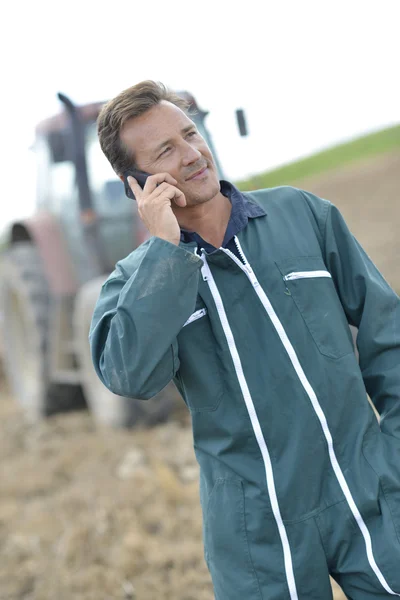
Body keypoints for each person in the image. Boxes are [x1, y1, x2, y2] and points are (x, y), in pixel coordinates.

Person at [90, 80, 400, 600]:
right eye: (166, 150)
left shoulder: (304, 215)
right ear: (136, 184)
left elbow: (387, 335)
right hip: (255, 531)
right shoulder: (133, 283)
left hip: (368, 490)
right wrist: (166, 253)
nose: (192, 155)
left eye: (191, 134)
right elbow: (131, 377)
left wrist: (392, 450)